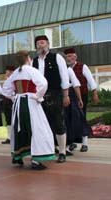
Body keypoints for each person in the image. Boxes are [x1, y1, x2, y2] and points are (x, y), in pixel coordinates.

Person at [0, 50, 55, 170]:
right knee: (37, 128)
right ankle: (36, 159)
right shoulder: (31, 70)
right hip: (30, 102)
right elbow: (43, 83)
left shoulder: (15, 73)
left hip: (19, 104)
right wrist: (38, 96)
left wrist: (14, 97)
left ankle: (18, 156)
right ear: (28, 59)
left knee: (20, 129)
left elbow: (5, 89)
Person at [32, 35, 70, 163]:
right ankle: (49, 149)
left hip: (55, 94)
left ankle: (63, 151)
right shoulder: (34, 61)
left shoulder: (57, 57)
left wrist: (66, 95)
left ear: (47, 44)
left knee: (58, 121)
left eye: (42, 43)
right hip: (39, 95)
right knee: (43, 123)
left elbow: (64, 78)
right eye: (38, 44)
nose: (40, 45)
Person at [64, 48, 98, 152]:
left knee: (81, 118)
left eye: (71, 56)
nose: (70, 58)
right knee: (70, 119)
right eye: (67, 56)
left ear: (75, 57)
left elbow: (91, 80)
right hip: (68, 97)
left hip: (81, 96)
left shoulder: (82, 67)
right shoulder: (64, 68)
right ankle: (72, 142)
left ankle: (84, 143)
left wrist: (94, 93)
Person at [1, 65, 15, 144]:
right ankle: (9, 137)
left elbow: (13, 90)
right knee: (8, 119)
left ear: (10, 71)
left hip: (11, 100)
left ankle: (12, 137)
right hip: (6, 100)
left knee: (11, 119)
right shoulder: (8, 79)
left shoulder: (13, 79)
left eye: (7, 71)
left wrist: (12, 97)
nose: (6, 73)